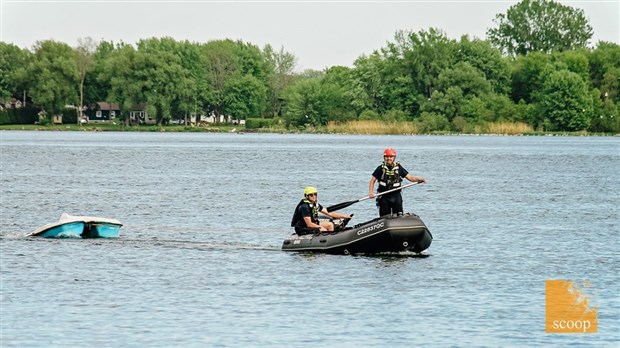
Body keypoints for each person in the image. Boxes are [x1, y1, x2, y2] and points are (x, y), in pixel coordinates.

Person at [369, 147, 426, 216]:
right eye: (387, 157)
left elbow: (410, 177)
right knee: (385, 215)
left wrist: (419, 179)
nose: (389, 158)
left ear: (394, 158)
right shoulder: (380, 169)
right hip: (384, 196)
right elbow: (372, 181)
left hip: (396, 196)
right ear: (384, 158)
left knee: (399, 214)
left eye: (391, 157)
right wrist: (371, 192)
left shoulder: (399, 168)